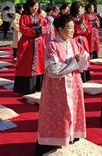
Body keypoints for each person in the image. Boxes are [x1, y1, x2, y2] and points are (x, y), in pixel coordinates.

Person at [35, 14, 89, 155]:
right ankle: (52, 143)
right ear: (59, 29)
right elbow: (53, 70)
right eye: (69, 28)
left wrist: (80, 60)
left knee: (73, 112)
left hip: (74, 84)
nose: (72, 31)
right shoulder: (52, 45)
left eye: (73, 28)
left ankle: (71, 137)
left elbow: (85, 56)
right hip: (57, 88)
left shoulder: (73, 43)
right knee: (59, 115)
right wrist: (74, 63)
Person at [14, 0, 46, 94]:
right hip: (27, 44)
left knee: (39, 64)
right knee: (26, 65)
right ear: (28, 6)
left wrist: (40, 28)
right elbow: (24, 30)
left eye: (37, 6)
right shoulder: (24, 16)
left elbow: (46, 28)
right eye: (33, 6)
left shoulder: (39, 16)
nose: (35, 8)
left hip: (38, 44)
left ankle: (38, 86)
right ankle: (25, 89)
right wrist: (37, 29)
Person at [70, 2, 91, 82]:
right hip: (75, 40)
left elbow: (88, 30)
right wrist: (81, 28)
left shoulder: (82, 18)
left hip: (83, 39)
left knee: (84, 56)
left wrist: (84, 27)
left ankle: (85, 75)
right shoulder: (71, 19)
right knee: (77, 57)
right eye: (80, 8)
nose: (82, 9)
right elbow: (73, 31)